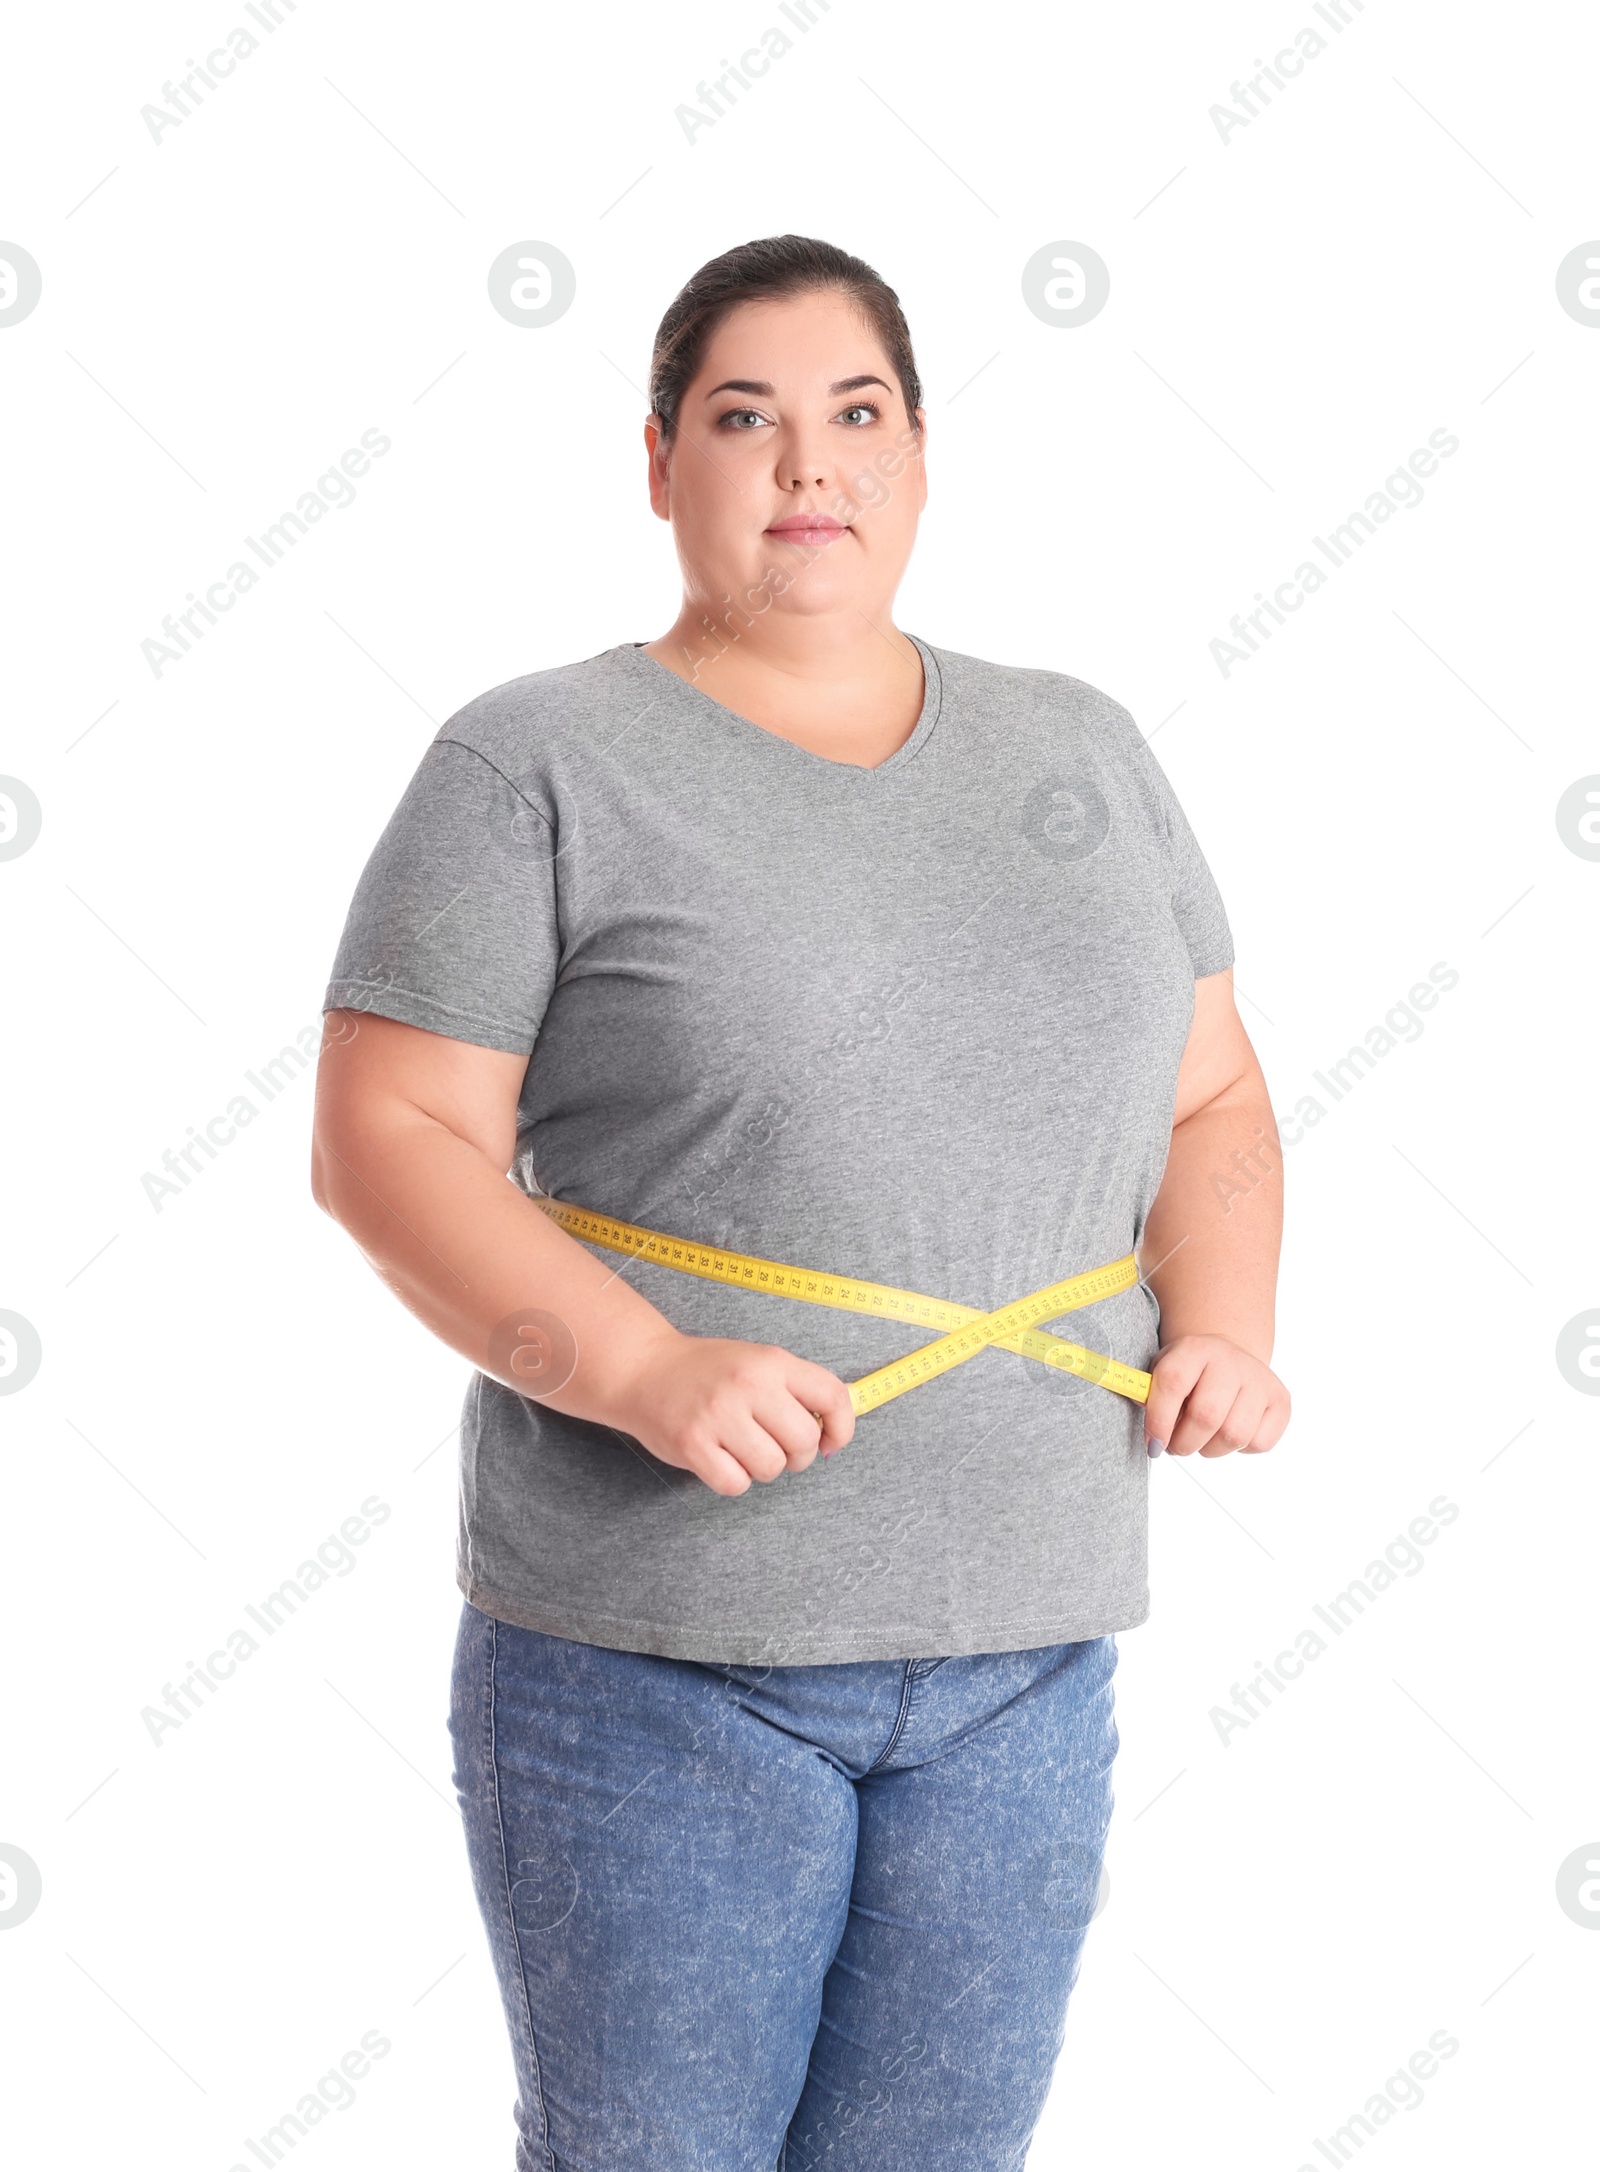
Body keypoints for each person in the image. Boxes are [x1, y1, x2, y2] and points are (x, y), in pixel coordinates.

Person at [311, 233, 1289, 2172]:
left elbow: (1215, 1092)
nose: (804, 464)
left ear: (921, 456)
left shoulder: (1078, 750)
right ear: (658, 459)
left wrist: (1228, 1325)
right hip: (653, 1666)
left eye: (854, 415)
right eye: (743, 419)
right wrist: (638, 1370)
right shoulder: (535, 764)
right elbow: (387, 1137)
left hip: (1026, 1647)